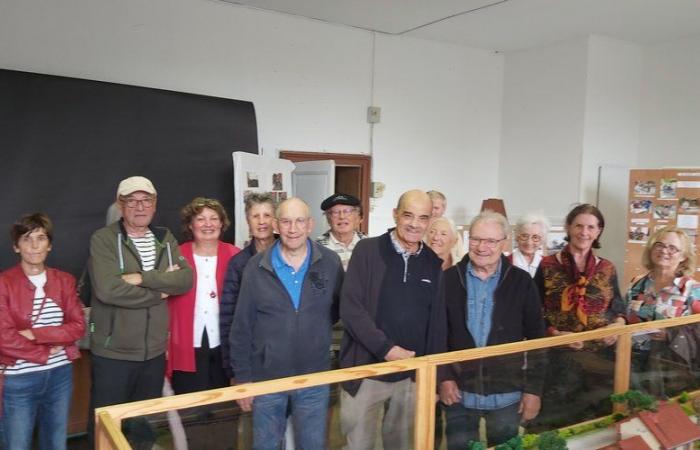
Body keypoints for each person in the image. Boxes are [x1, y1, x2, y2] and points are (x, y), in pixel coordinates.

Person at [87, 176, 192, 448]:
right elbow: (108, 290)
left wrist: (141, 277)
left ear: (154, 204)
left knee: (144, 427)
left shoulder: (164, 238)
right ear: (121, 205)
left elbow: (184, 280)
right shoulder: (104, 239)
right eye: (131, 201)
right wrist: (159, 289)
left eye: (146, 200)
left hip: (153, 353)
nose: (140, 206)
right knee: (107, 428)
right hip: (114, 353)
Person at [230, 197, 343, 450]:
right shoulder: (255, 267)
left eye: (299, 221)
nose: (293, 229)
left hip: (314, 378)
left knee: (312, 445)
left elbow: (335, 310)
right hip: (267, 379)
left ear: (310, 224)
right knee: (266, 445)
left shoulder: (330, 262)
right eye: (286, 221)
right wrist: (243, 379)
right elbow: (241, 327)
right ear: (276, 226)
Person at [339, 189, 446, 450]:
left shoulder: (433, 263)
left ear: (430, 221)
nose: (414, 224)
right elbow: (350, 308)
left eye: (422, 218)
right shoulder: (367, 250)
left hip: (412, 375)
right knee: (358, 444)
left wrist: (433, 378)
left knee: (401, 444)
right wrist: (386, 349)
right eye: (408, 215)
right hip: (366, 371)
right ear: (395, 214)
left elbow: (437, 325)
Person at [438, 211, 545, 448]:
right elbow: (437, 337)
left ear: (504, 243)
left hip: (508, 395)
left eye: (491, 241)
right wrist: (443, 377)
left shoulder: (521, 282)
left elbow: (538, 340)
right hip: (459, 394)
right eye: (476, 239)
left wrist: (533, 391)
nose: (482, 247)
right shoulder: (447, 280)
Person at [534, 203, 625, 426]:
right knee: (557, 421)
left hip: (601, 359)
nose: (584, 232)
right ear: (568, 227)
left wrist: (618, 325)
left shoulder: (608, 268)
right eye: (579, 226)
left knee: (599, 419)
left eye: (591, 227)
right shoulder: (546, 266)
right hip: (559, 358)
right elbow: (534, 310)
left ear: (599, 231)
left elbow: (619, 306)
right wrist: (554, 332)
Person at [0, 213, 85, 450]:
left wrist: (37, 334)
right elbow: (3, 338)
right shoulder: (3, 283)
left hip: (60, 376)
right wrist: (46, 353)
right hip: (18, 380)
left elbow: (78, 326)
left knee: (56, 444)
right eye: (27, 239)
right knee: (17, 444)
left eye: (41, 238)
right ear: (16, 246)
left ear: (50, 244)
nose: (35, 245)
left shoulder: (65, 281)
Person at [167, 197, 239, 393]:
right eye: (200, 219)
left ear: (222, 223)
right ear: (190, 225)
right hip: (186, 343)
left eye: (214, 218)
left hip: (225, 343)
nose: (208, 224)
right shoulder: (176, 256)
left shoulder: (236, 256)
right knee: (189, 405)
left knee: (223, 405)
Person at [626, 226, 700, 397]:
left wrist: (670, 333)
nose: (664, 251)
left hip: (670, 368)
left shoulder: (692, 290)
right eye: (659, 245)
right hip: (633, 365)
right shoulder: (638, 285)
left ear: (683, 257)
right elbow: (626, 318)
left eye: (672, 248)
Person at [221, 192, 277, 379]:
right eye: (255, 216)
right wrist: (234, 370)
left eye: (267, 215)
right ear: (248, 221)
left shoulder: (292, 256)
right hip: (255, 358)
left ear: (276, 220)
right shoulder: (238, 263)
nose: (262, 222)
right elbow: (229, 317)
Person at [316, 193, 366, 271]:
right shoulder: (317, 247)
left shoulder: (369, 245)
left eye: (347, 211)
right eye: (335, 212)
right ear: (328, 219)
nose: (342, 217)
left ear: (359, 218)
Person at [509, 213, 550, 277]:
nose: (529, 242)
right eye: (524, 236)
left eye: (535, 237)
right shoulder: (504, 263)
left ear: (542, 240)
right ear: (517, 237)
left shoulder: (548, 264)